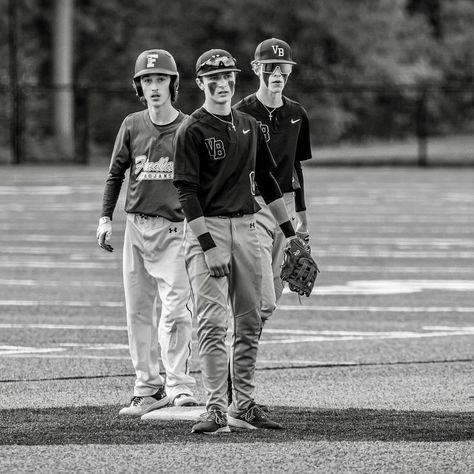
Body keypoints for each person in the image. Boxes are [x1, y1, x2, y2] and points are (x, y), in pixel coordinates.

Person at [173, 48, 301, 434]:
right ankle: (215, 406)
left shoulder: (247, 124)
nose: (222, 83)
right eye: (213, 78)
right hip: (207, 230)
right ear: (201, 83)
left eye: (228, 76)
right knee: (212, 324)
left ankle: (242, 404)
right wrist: (208, 245)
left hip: (247, 228)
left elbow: (267, 181)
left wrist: (292, 236)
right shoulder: (192, 128)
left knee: (249, 322)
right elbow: (186, 192)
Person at [96, 49, 197, 416]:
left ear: (173, 83)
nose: (154, 86)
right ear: (139, 86)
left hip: (176, 229)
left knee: (176, 312)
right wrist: (105, 218)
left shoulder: (189, 126)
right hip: (137, 229)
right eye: (147, 80)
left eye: (160, 79)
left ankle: (179, 385)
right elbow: (115, 173)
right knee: (137, 312)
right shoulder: (132, 124)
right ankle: (147, 388)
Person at [234, 38, 313, 328]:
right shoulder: (240, 113)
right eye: (270, 68)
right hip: (256, 206)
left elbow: (296, 165)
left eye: (284, 68)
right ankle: (238, 351)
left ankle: (241, 357)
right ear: (256, 68)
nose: (277, 74)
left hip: (288, 206)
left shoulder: (297, 113)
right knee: (263, 295)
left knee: (275, 293)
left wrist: (303, 222)